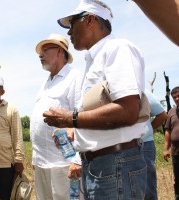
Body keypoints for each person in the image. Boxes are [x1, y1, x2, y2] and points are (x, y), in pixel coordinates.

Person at [43, 0, 148, 198]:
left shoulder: (118, 48)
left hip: (116, 163)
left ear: (90, 20)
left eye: (72, 24)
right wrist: (74, 129)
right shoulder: (93, 60)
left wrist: (71, 118)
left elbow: (127, 111)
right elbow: (101, 113)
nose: (69, 32)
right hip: (100, 165)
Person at [30, 33, 82, 200]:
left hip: (64, 163)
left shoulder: (75, 77)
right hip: (42, 163)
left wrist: (78, 160)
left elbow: (83, 118)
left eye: (45, 49)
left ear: (60, 51)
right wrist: (35, 158)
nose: (41, 54)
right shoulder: (47, 82)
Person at [142, 89, 167, 200]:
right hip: (122, 148)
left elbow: (162, 115)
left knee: (148, 186)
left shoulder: (143, 92)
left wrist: (147, 131)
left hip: (144, 146)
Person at [164, 86, 179, 200]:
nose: (176, 98)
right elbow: (167, 131)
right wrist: (166, 149)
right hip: (177, 151)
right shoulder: (171, 112)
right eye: (174, 96)